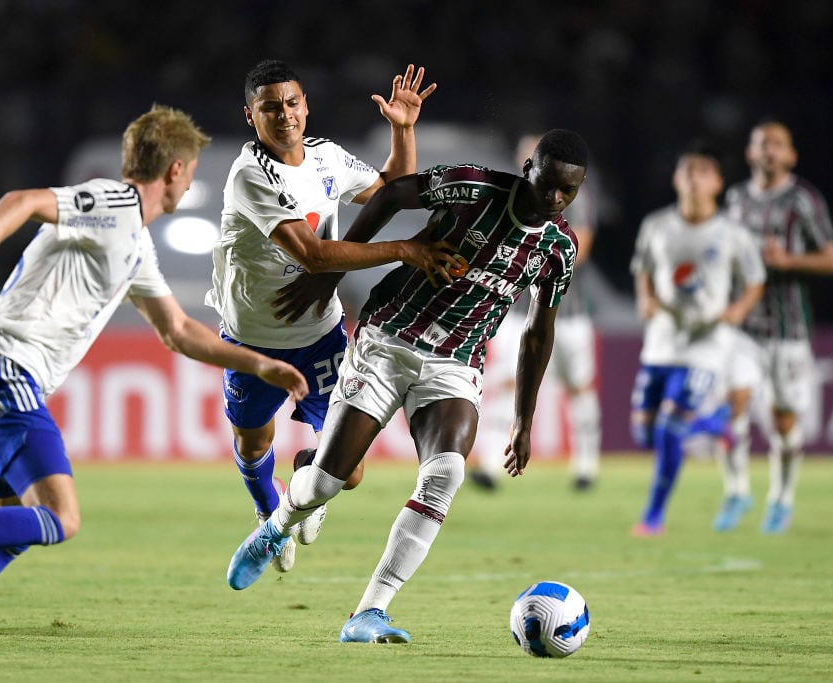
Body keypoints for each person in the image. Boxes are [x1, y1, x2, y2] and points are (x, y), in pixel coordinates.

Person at [0, 105, 310, 667]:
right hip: (5, 367)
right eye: (190, 169)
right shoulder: (113, 205)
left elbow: (179, 331)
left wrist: (258, 364)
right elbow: (21, 201)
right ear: (173, 169)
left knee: (15, 526)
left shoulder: (136, 245)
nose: (191, 179)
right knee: (60, 518)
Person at [226, 129, 590, 644]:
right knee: (329, 482)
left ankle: (368, 613)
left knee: (446, 475)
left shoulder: (559, 247)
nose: (555, 200)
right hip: (389, 338)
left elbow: (538, 331)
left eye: (567, 193)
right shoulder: (474, 186)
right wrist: (330, 272)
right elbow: (395, 194)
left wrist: (524, 420)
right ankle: (279, 522)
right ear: (529, 167)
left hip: (456, 363)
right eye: (549, 185)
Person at [206, 60, 441, 575]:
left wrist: (403, 130)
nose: (285, 114)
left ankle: (302, 493)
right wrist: (404, 250)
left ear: (305, 104)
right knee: (253, 442)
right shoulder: (250, 175)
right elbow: (313, 255)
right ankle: (269, 511)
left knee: (350, 470)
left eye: (291, 103)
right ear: (252, 117)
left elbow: (392, 188)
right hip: (252, 340)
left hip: (319, 334)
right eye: (270, 107)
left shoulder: (326, 158)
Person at [710, 120, 833, 534]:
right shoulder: (734, 199)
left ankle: (781, 499)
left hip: (789, 330)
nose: (769, 150)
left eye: (777, 145)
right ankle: (736, 491)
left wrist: (789, 261)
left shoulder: (803, 200)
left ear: (790, 155)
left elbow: (832, 258)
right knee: (731, 407)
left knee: (783, 421)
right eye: (761, 144)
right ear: (750, 153)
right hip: (742, 327)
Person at [629, 140, 765, 536]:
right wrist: (646, 299)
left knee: (670, 428)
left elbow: (755, 281)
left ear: (718, 183)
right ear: (676, 179)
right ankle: (715, 422)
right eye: (687, 170)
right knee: (644, 435)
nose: (693, 178)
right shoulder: (656, 225)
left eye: (702, 172)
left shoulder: (732, 234)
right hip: (662, 340)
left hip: (707, 345)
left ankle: (653, 516)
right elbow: (643, 269)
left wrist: (738, 310)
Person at [470, 132, 602, 492]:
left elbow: (582, 245)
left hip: (568, 312)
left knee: (578, 387)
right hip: (517, 311)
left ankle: (586, 466)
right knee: (506, 382)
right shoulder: (513, 197)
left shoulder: (576, 195)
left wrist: (538, 265)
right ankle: (489, 465)